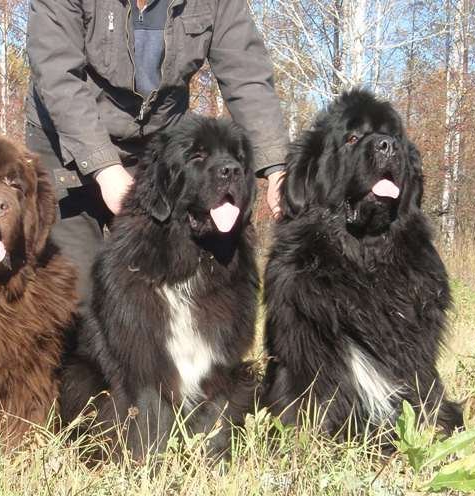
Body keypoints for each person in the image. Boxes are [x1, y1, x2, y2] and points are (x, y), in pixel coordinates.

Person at [25, 0, 289, 301]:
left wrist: (277, 165)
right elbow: (57, 73)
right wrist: (104, 167)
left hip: (157, 145)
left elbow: (247, 76)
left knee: (158, 290)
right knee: (78, 294)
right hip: (64, 141)